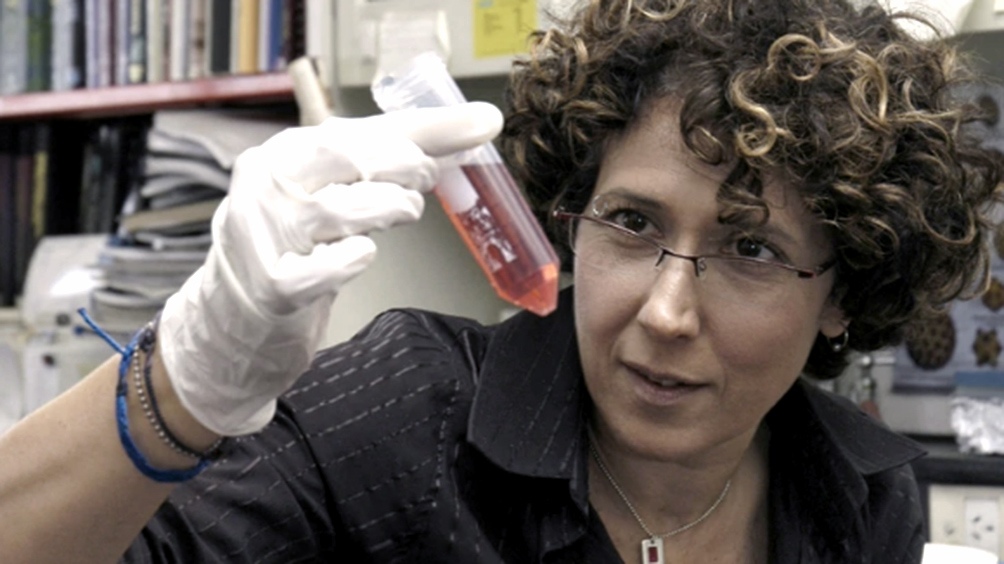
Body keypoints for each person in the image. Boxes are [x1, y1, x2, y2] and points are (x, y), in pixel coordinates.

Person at [1, 0, 1001, 562]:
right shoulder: (395, 420)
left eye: (748, 250)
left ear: (841, 290)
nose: (662, 310)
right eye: (630, 222)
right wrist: (182, 386)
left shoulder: (862, 496)